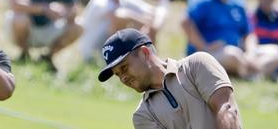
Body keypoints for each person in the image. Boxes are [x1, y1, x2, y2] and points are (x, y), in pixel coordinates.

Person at [98, 28, 242, 129]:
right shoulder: (143, 116)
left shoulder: (197, 64)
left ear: (144, 53)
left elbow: (226, 109)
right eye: (117, 74)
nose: (123, 78)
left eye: (124, 68)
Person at [181, 0, 278, 79]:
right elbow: (186, 22)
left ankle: (249, 72)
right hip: (210, 54)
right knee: (232, 54)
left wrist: (251, 53)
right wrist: (204, 46)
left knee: (276, 52)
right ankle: (249, 73)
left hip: (239, 51)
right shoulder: (202, 0)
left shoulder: (238, 3)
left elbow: (249, 33)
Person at [79, 0, 166, 62]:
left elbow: (153, 13)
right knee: (122, 20)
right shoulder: (100, 1)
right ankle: (115, 60)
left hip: (105, 46)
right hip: (93, 51)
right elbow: (117, 16)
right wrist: (141, 21)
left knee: (147, 26)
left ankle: (150, 60)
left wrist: (148, 26)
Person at [7, 0, 82, 71]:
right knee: (19, 19)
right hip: (28, 27)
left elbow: (73, 9)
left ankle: (47, 57)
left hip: (51, 28)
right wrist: (44, 9)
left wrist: (63, 12)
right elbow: (15, 3)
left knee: (79, 25)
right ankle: (24, 54)